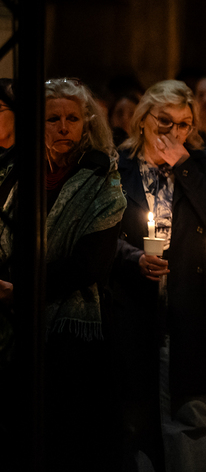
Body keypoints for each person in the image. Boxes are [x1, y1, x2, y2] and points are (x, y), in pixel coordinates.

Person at [112, 79, 206, 472]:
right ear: (143, 120)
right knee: (135, 420)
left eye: (184, 124)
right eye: (165, 122)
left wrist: (184, 167)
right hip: (134, 304)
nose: (174, 132)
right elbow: (100, 232)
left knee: (191, 416)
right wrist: (133, 258)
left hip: (188, 306)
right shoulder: (119, 164)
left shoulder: (201, 163)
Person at [0, 78, 126, 470]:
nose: (63, 127)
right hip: (13, 326)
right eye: (53, 119)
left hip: (70, 333)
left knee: (66, 439)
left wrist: (21, 289)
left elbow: (88, 264)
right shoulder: (17, 174)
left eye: (72, 118)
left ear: (86, 124)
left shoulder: (102, 179)